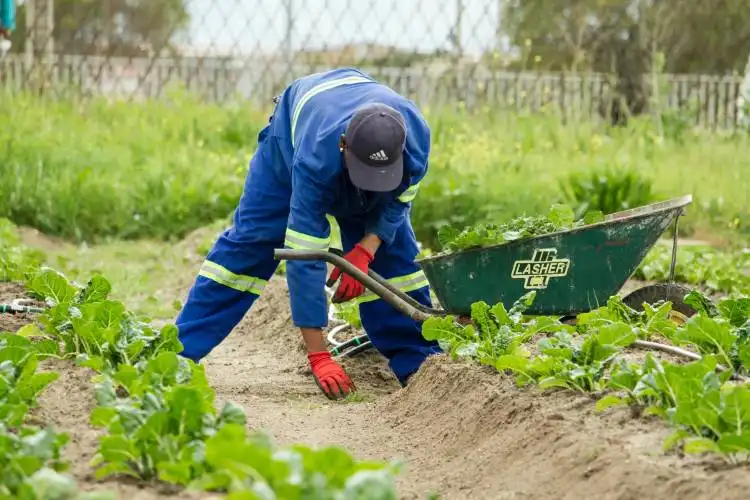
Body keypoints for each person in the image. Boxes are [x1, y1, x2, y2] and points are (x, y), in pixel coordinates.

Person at [175, 67, 442, 400]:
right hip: (290, 142)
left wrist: (366, 250)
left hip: (359, 139)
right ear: (344, 146)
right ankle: (178, 354)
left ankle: (419, 364)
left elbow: (398, 203)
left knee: (393, 255)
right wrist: (318, 354)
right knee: (252, 245)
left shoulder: (415, 140)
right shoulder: (315, 159)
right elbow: (306, 256)